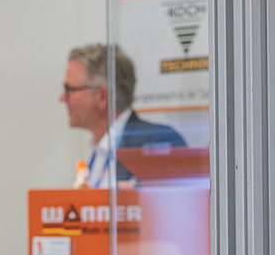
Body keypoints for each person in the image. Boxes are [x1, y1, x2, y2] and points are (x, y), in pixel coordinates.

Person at [62, 43, 185, 188]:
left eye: (69, 89)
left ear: (102, 96)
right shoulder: (100, 150)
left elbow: (171, 197)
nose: (62, 98)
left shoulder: (159, 141)